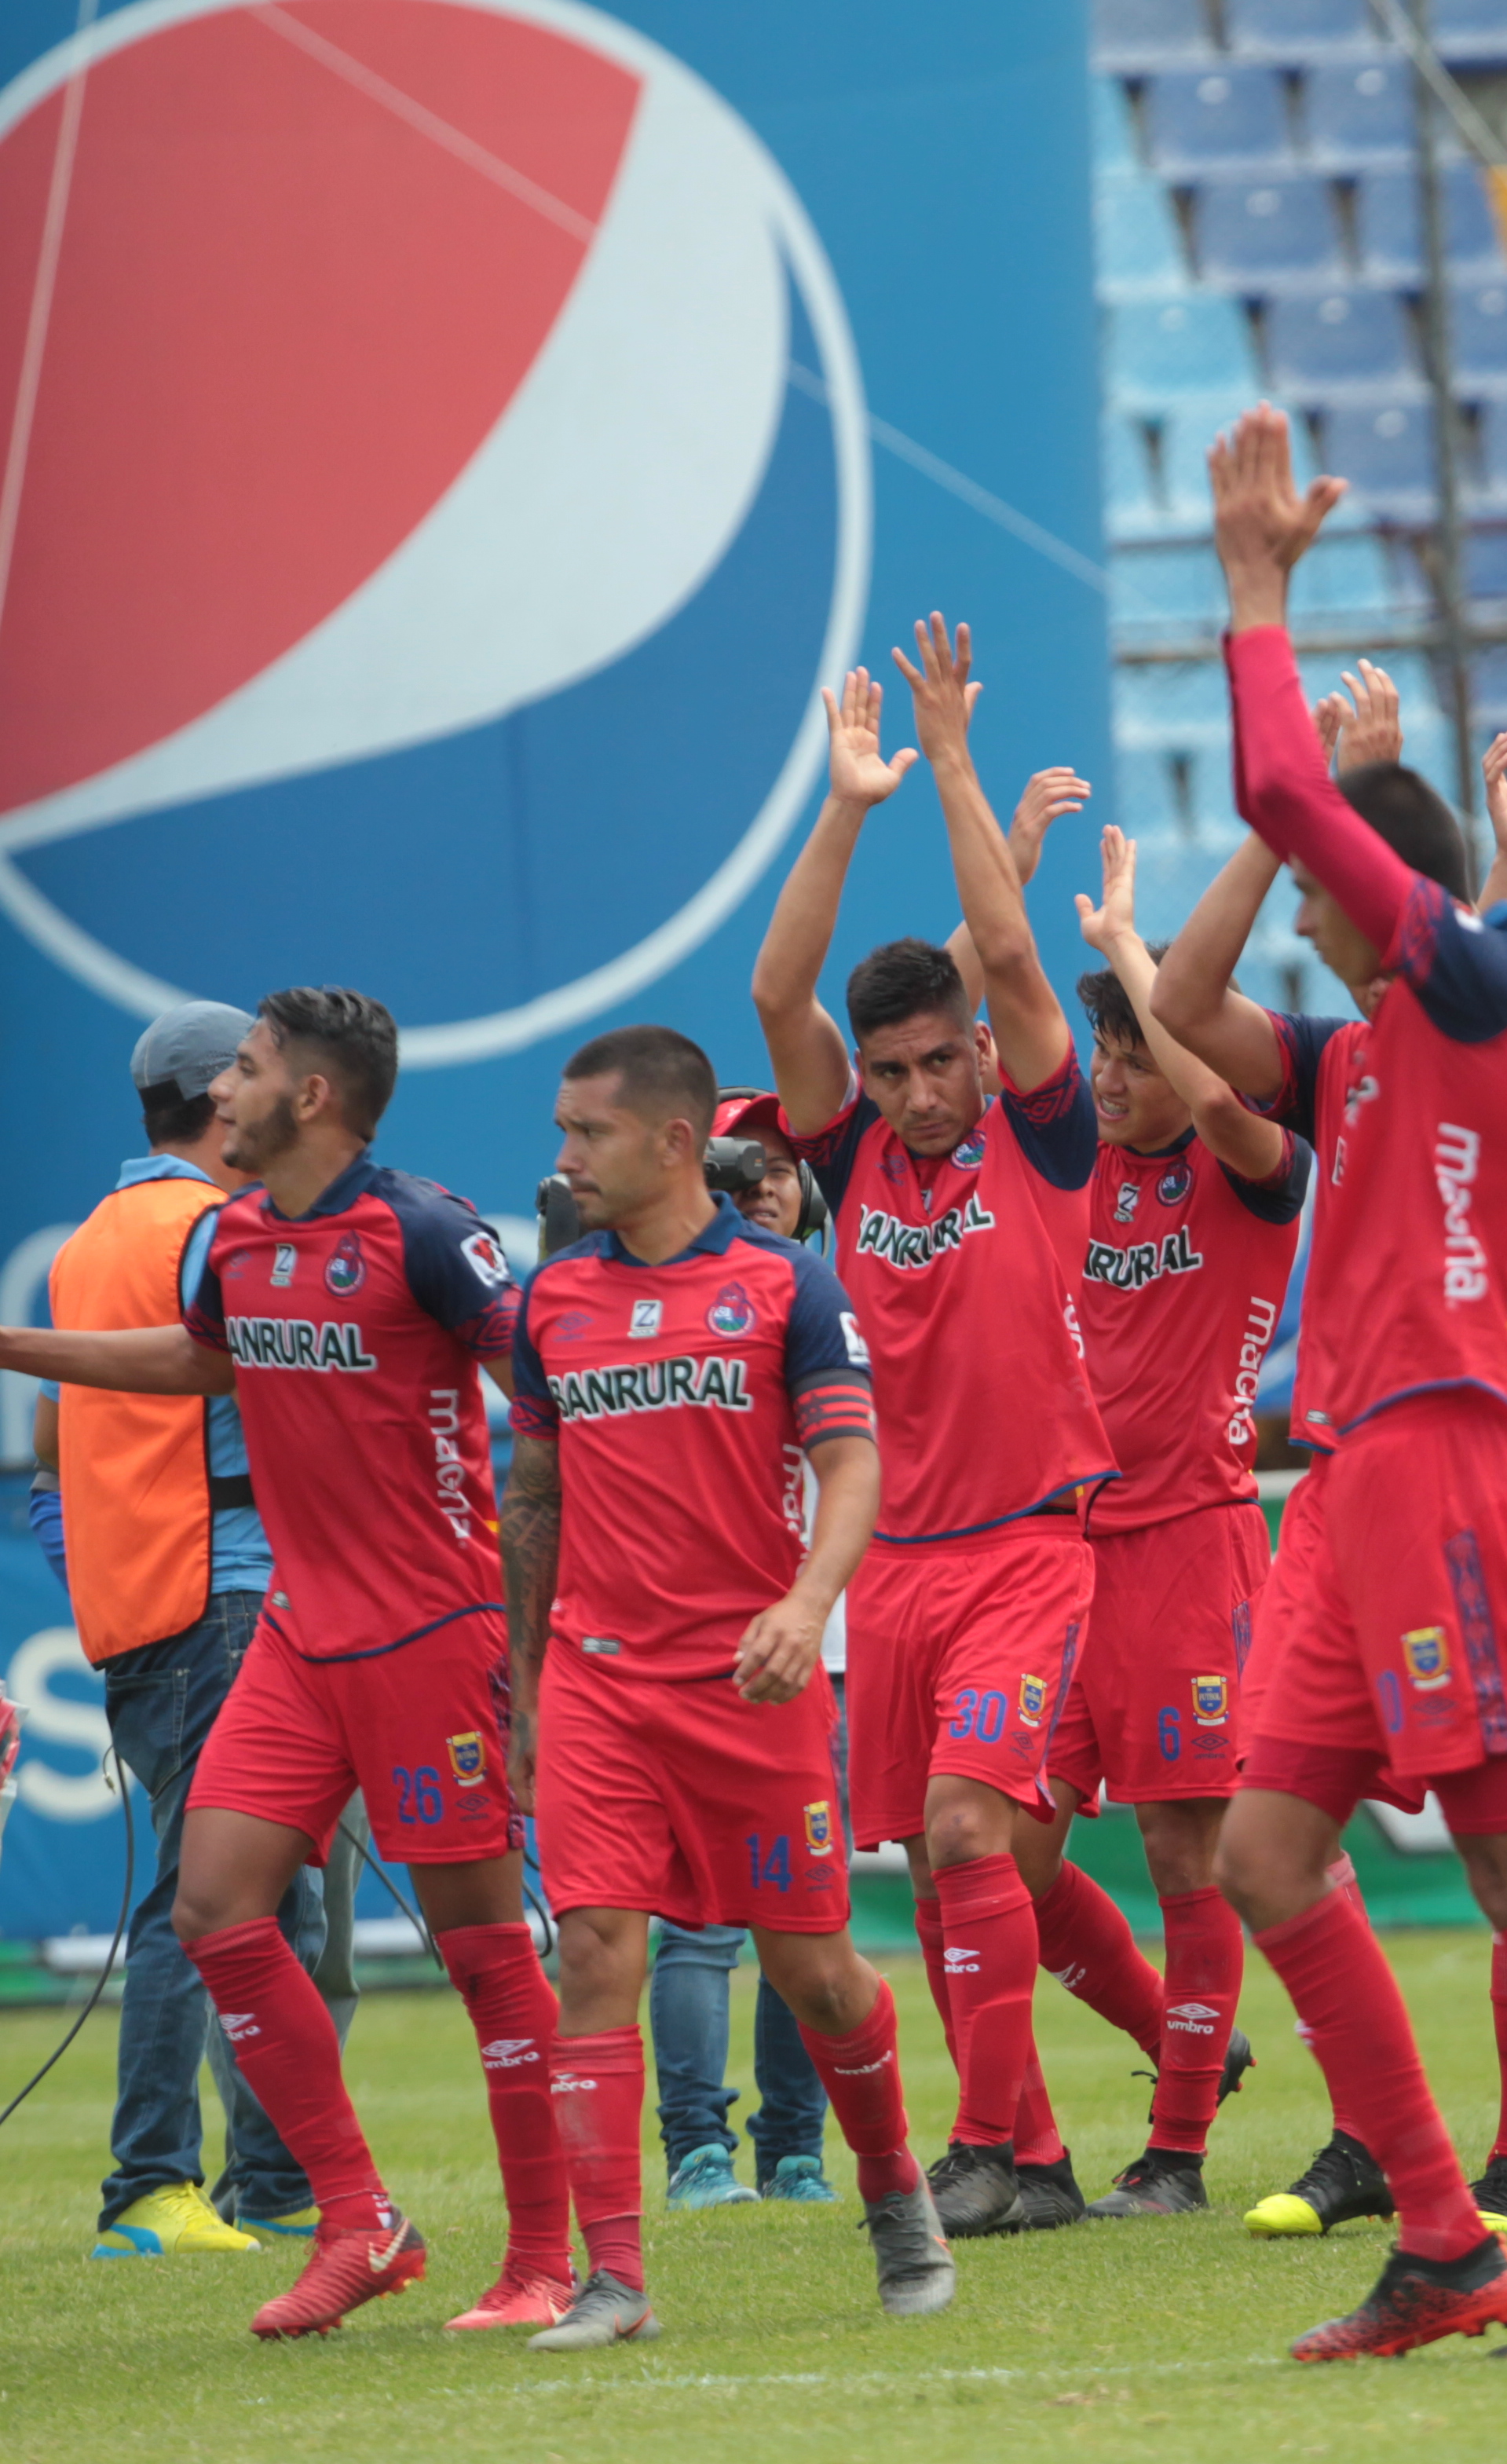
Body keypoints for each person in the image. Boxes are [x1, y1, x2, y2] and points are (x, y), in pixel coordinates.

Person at [1152, 404, 1507, 2359]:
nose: (1305, 925)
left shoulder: (1499, 987)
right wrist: (1275, 827)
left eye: (1322, 892)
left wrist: (1256, 610)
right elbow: (1179, 1009)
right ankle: (1449, 2241)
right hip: (1356, 1485)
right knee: (1264, 1853)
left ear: (1383, 895)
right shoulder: (1378, 1035)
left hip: (1459, 1464)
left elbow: (1316, 825)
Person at [0, 989, 572, 2336]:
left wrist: (557, 1631)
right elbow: (201, 1363)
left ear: (309, 1096)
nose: (227, 1093)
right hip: (300, 1633)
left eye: (248, 1070)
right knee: (213, 1909)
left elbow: (545, 1394)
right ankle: (359, 2219)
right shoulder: (232, 1238)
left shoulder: (428, 1231)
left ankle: (547, 2260)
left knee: (487, 1950)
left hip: (434, 1637)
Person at [750, 639, 1158, 2239]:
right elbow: (780, 994)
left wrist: (949, 758)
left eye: (945, 1062)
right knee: (947, 1869)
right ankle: (1045, 2151)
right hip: (890, 1566)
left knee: (980, 1833)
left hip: (1031, 1548)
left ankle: (994, 2146)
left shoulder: (1044, 1133)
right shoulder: (845, 1157)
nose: (924, 1092)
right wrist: (849, 810)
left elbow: (1001, 941)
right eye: (899, 1070)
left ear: (986, 1053)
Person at [500, 1023, 955, 2348]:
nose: (566, 1155)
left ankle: (895, 2194)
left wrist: (808, 1602)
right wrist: (528, 1688)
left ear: (675, 1141)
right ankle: (618, 2281)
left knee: (814, 1974)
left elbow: (855, 1464)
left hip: (750, 1690)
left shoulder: (786, 1285)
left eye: (587, 1132)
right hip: (596, 1682)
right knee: (594, 1954)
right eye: (563, 1130)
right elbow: (535, 1501)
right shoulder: (552, 1300)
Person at [1059, 825, 1308, 2216]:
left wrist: (1133, 956)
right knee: (997, 1848)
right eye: (1104, 1053)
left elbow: (1220, 1109)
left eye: (1136, 1053)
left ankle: (1176, 2155)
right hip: (1049, 1551)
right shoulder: (1064, 1166)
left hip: (1187, 1547)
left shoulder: (1251, 1166)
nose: (1109, 1077)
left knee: (1183, 1858)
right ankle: (1176, 2058)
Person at [51, 1001, 321, 2258]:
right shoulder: (214, 1230)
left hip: (150, 1599)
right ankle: (150, 2187)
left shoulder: (93, 1239)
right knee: (206, 1903)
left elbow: (57, 1446)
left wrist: (92, 1565)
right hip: (225, 1594)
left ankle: (273, 2182)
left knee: (272, 1901)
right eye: (264, 1073)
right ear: (223, 1098)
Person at [644, 1092, 840, 2213]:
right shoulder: (659, 1302)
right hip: (696, 1645)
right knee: (701, 1918)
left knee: (800, 1912)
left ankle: (798, 2152)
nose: (763, 1183)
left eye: (780, 1165)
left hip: (828, 1644)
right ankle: (696, 2154)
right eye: (738, 1168)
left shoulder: (838, 1286)